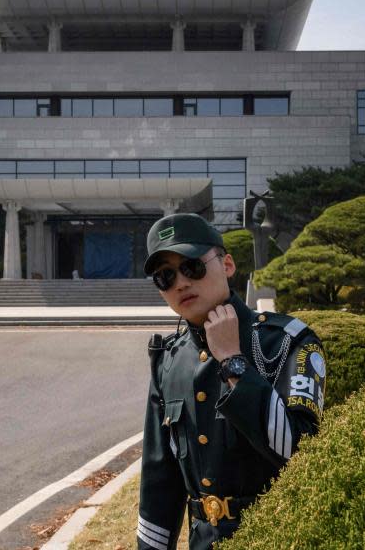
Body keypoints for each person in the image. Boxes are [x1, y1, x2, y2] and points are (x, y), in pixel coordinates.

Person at [137, 213, 327, 550]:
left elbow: (302, 452)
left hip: (279, 538)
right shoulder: (168, 361)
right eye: (165, 277)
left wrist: (233, 362)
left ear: (227, 265)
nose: (181, 282)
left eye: (192, 266)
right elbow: (159, 486)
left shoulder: (286, 342)